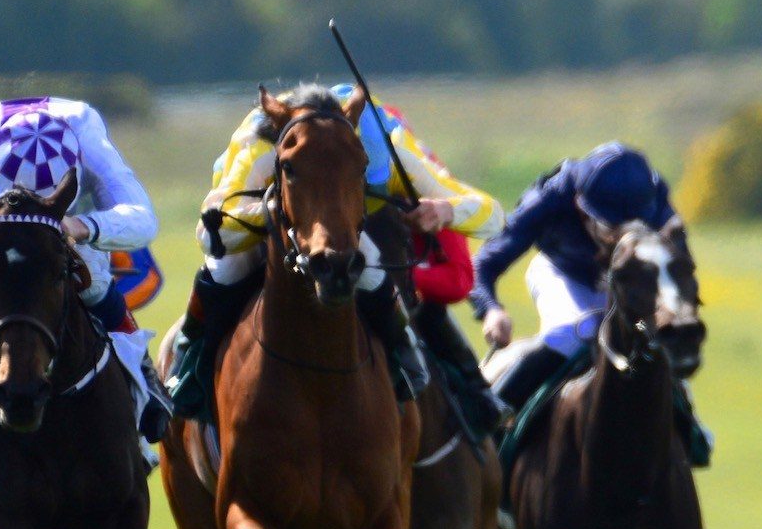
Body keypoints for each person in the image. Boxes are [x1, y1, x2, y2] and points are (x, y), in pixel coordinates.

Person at [164, 84, 503, 418]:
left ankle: (403, 356)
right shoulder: (259, 147)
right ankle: (188, 363)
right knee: (224, 269)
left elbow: (492, 215)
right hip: (268, 213)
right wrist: (274, 211)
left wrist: (445, 210)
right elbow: (212, 235)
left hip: (340, 226)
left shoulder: (391, 147)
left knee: (372, 271)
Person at [0, 98, 169, 445]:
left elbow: (143, 218)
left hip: (64, 222)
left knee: (94, 282)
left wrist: (83, 225)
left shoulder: (86, 134)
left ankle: (145, 377)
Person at [472, 141, 680, 410]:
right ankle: (490, 417)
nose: (622, 240)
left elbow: (677, 273)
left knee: (661, 349)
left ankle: (693, 430)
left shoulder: (653, 199)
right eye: (612, 228)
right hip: (560, 271)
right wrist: (490, 309)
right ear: (581, 208)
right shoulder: (550, 198)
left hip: (625, 284)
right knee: (576, 331)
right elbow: (483, 264)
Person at [408, 224, 508, 440]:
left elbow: (457, 281)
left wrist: (406, 276)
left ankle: (482, 396)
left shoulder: (430, 207)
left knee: (430, 312)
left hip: (410, 295)